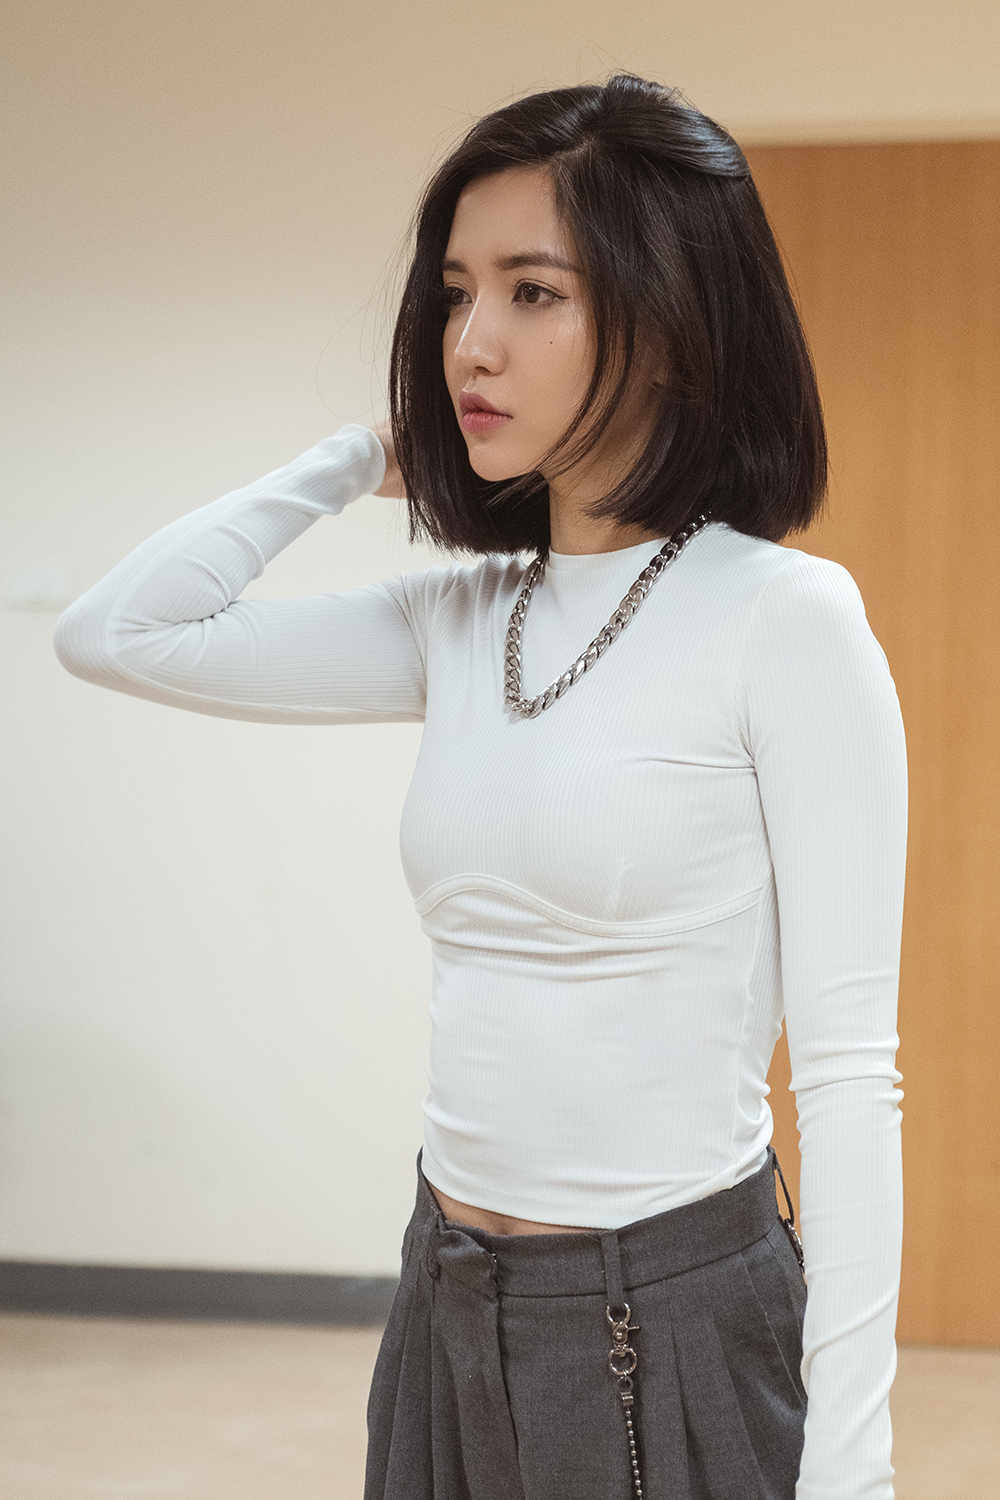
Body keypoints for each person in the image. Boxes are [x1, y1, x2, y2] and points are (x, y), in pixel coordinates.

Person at [54, 74, 907, 1500]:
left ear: (667, 320)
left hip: (673, 1313)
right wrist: (350, 460)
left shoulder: (786, 620)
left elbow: (850, 1076)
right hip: (446, 1294)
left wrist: (854, 1470)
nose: (473, 341)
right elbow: (117, 634)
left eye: (533, 291)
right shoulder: (460, 618)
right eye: (455, 293)